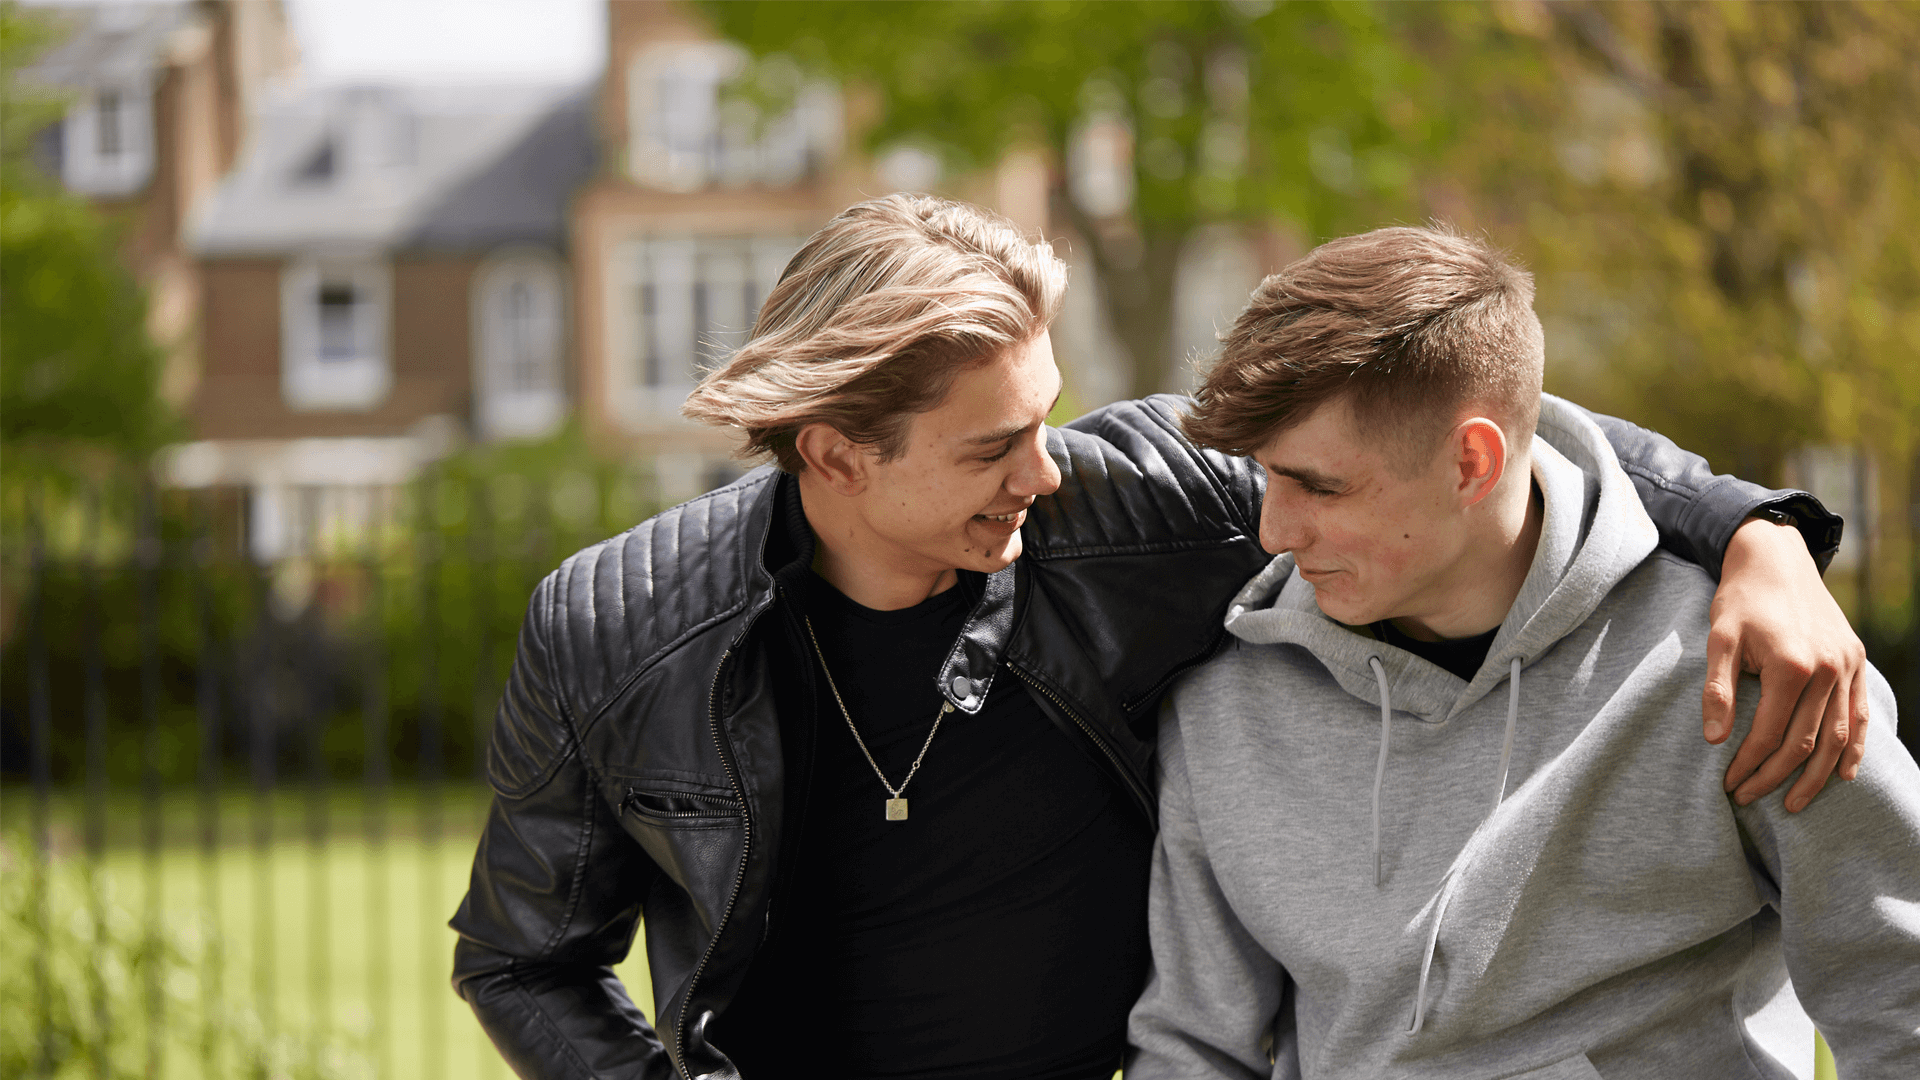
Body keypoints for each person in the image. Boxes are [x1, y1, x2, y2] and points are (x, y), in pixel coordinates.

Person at [450, 195, 1867, 1080]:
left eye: (1048, 419)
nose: (1045, 473)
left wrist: (1761, 537)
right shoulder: (617, 631)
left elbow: (1465, 420)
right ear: (835, 456)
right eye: (995, 446)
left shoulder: (1124, 515)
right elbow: (521, 957)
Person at [1127, 225, 1917, 1079]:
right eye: (1266, 476)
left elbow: (1900, 994)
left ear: (1472, 461)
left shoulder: (1745, 667)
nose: (1273, 531)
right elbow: (1194, 1048)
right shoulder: (1225, 704)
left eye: (1320, 485)